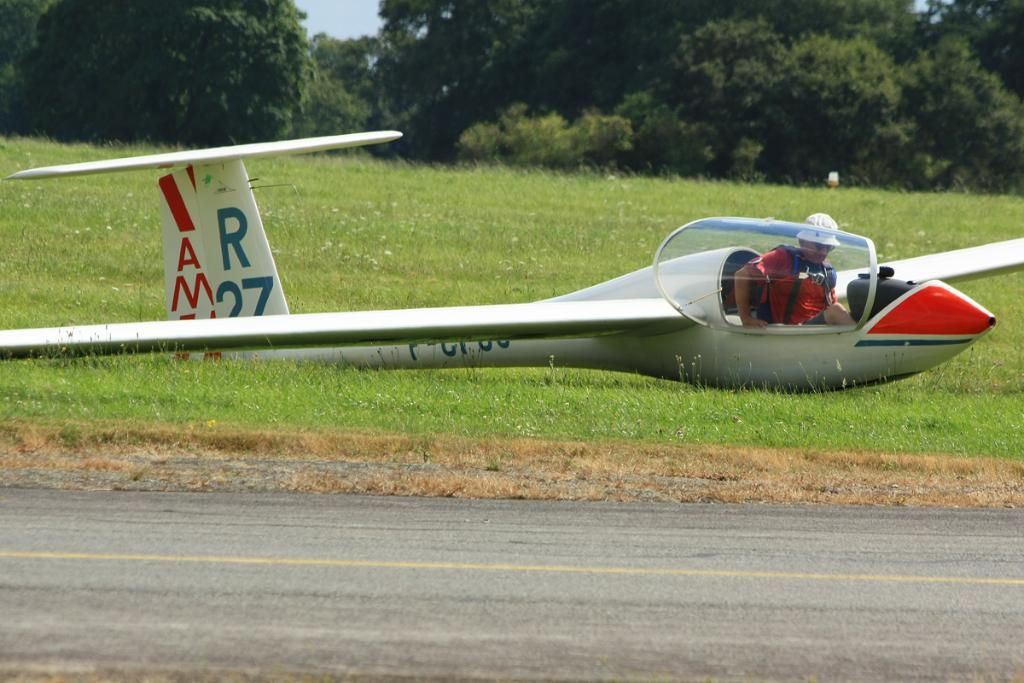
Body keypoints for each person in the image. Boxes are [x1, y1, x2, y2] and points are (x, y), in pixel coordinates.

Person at [734, 213, 855, 327]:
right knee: (836, 311)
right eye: (819, 246)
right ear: (802, 242)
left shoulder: (826, 269)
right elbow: (741, 275)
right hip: (789, 331)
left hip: (817, 331)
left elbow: (830, 305)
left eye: (828, 247)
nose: (823, 252)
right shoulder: (782, 257)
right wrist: (746, 319)